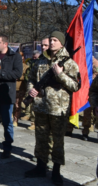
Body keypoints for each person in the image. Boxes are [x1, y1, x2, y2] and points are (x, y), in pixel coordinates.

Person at [24, 31, 80, 185]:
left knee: (57, 141)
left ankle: (56, 171)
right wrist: (31, 90)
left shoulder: (69, 63)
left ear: (61, 43)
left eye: (55, 40)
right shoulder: (41, 61)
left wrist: (60, 75)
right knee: (41, 139)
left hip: (58, 109)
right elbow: (30, 78)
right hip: (41, 106)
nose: (52, 42)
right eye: (51, 39)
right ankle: (40, 167)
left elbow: (76, 86)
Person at [14, 51, 29, 127]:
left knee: (17, 104)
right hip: (12, 87)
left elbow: (26, 77)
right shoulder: (13, 65)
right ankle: (11, 117)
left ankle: (15, 119)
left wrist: (18, 77)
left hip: (20, 88)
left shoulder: (26, 67)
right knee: (12, 104)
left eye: (21, 56)